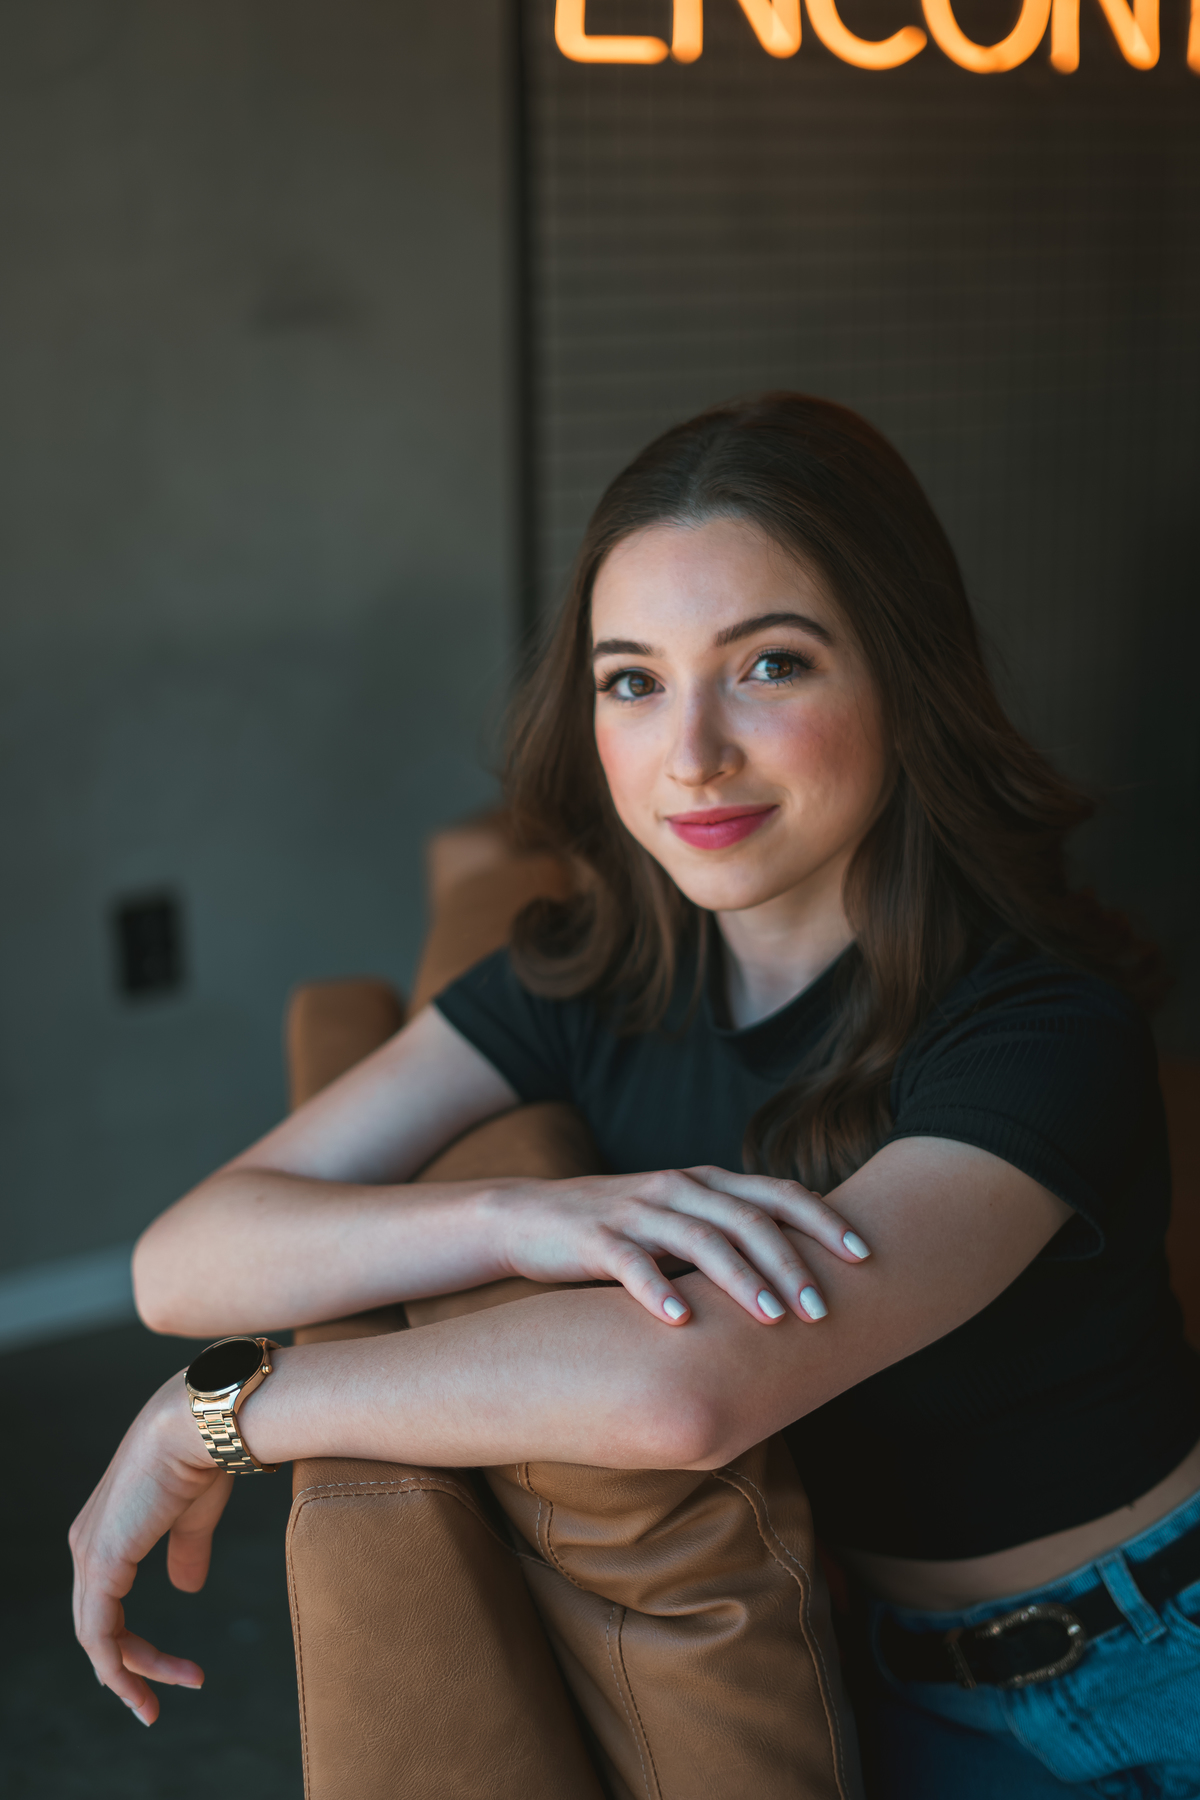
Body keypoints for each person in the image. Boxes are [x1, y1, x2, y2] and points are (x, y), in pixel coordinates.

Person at [71, 394, 1200, 1797]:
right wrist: (517, 1217)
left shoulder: (1038, 1027)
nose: (694, 754)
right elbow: (183, 1260)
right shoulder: (585, 980)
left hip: (1156, 1662)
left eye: (771, 664)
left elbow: (684, 1393)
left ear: (906, 680)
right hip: (897, 1683)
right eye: (633, 681)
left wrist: (217, 1416)